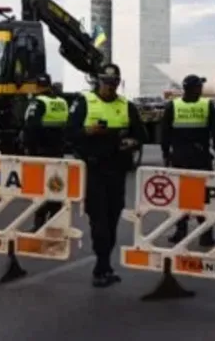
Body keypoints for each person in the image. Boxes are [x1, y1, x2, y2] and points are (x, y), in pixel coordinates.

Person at [66, 63, 147, 288]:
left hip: (117, 170)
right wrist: (87, 132)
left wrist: (130, 142)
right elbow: (69, 133)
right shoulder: (84, 102)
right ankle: (101, 267)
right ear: (98, 82)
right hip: (94, 170)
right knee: (99, 220)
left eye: (113, 83)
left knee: (112, 219)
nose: (109, 88)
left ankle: (105, 264)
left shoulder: (126, 105)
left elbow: (141, 135)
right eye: (105, 83)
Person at [161, 74, 215, 247]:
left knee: (180, 196)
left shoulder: (173, 106)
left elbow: (164, 134)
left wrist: (166, 155)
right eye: (200, 87)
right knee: (203, 197)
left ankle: (180, 231)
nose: (201, 90)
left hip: (179, 158)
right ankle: (206, 234)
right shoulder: (206, 105)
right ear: (195, 89)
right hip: (201, 158)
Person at [21, 74, 68, 231]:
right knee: (56, 187)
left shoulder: (38, 102)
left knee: (40, 189)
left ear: (37, 86)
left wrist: (27, 148)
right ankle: (54, 221)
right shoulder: (61, 102)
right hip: (58, 151)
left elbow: (30, 127)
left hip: (40, 152)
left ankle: (39, 224)